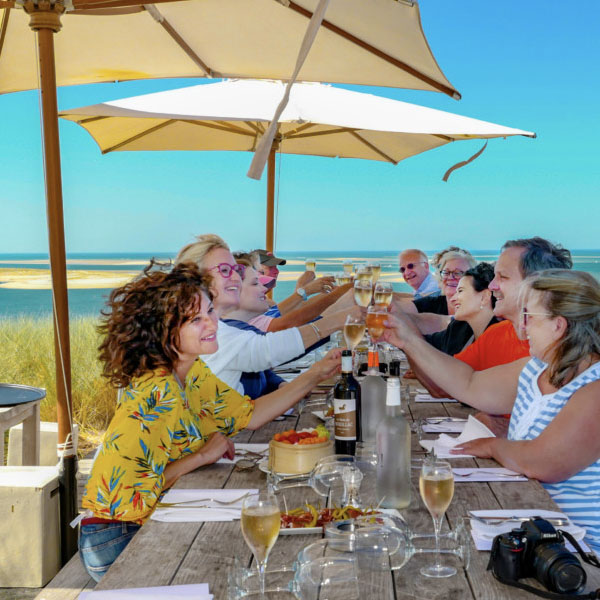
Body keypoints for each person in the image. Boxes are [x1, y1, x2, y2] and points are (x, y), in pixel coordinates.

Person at [79, 262, 341, 581]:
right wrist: (201, 456)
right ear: (163, 331)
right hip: (115, 535)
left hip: (145, 518)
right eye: (195, 320)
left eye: (210, 312)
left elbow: (251, 415)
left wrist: (316, 374)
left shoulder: (193, 370)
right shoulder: (157, 394)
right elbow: (127, 498)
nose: (212, 324)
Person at [384, 269, 600, 553]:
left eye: (529, 317)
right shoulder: (535, 369)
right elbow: (468, 383)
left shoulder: (594, 387)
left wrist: (493, 446)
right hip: (531, 524)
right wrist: (408, 341)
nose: (522, 328)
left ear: (558, 326)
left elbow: (543, 462)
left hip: (580, 549)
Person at [175, 234, 360, 393]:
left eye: (235, 270)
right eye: (225, 270)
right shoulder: (215, 336)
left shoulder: (222, 329)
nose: (235, 277)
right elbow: (269, 347)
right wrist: (342, 315)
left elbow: (249, 413)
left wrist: (310, 377)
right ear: (197, 279)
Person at [228, 252, 352, 333]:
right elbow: (288, 323)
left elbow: (289, 314)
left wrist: (328, 294)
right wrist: (303, 291)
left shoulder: (262, 305)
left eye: (276, 267)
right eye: (267, 268)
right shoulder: (239, 320)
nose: (276, 271)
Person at [423, 262, 499, 356]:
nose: (452, 299)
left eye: (460, 291)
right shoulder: (458, 328)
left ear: (484, 297)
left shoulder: (502, 341)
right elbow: (425, 343)